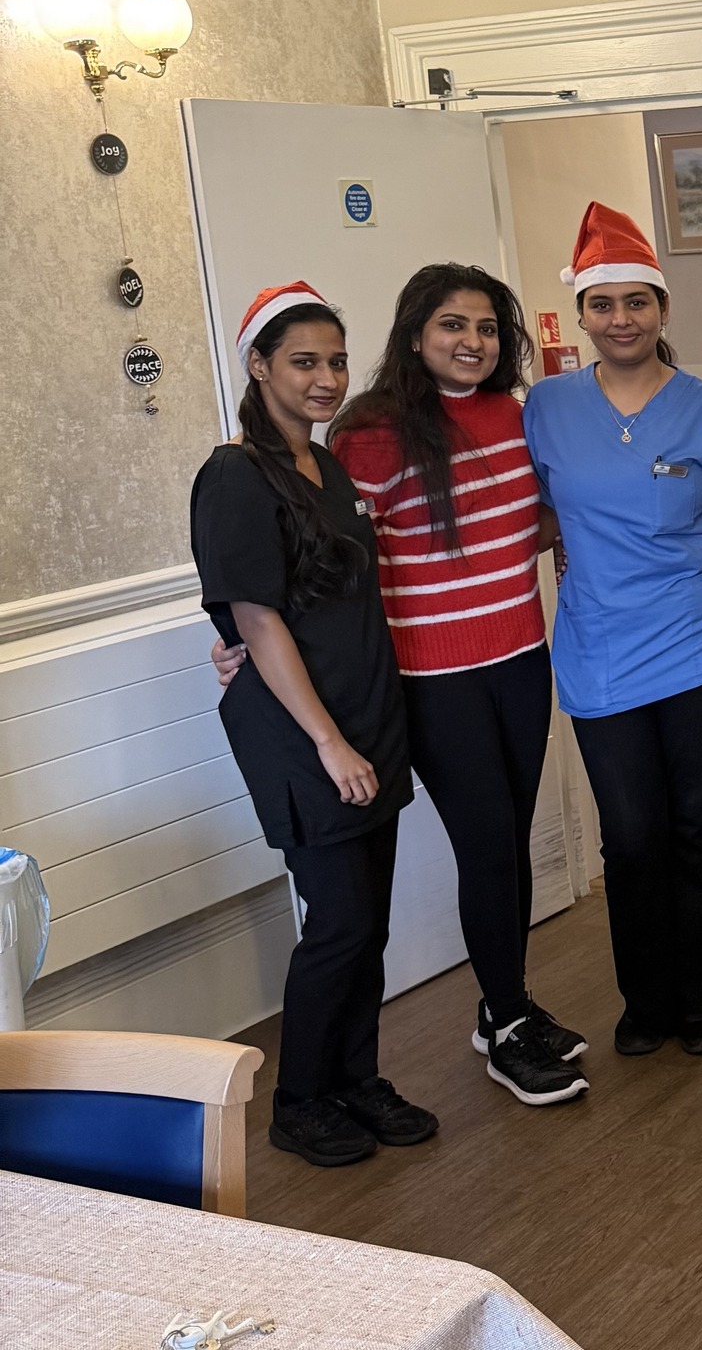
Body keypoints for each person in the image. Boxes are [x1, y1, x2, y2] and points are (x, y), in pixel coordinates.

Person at [214, 265, 590, 1106]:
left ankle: (511, 1008)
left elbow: (533, 517)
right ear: (416, 334)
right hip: (432, 677)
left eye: (488, 328)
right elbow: (333, 566)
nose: (472, 342)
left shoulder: (514, 417)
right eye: (452, 325)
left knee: (512, 838)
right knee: (489, 844)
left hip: (521, 660)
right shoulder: (371, 434)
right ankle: (503, 1021)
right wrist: (236, 635)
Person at [190, 283, 436, 1167]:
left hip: (365, 714)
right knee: (336, 920)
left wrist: (364, 728)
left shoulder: (327, 469)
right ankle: (299, 1101)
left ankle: (354, 1079)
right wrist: (328, 742)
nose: (326, 377)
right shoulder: (234, 475)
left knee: (367, 920)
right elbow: (256, 621)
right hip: (305, 734)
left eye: (335, 360)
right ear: (258, 366)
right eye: (304, 362)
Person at [523, 202, 702, 1058]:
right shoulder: (545, 408)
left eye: (637, 302)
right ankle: (646, 999)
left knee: (696, 829)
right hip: (599, 660)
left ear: (663, 309)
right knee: (631, 840)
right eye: (603, 304)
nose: (620, 319)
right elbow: (522, 517)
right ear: (582, 313)